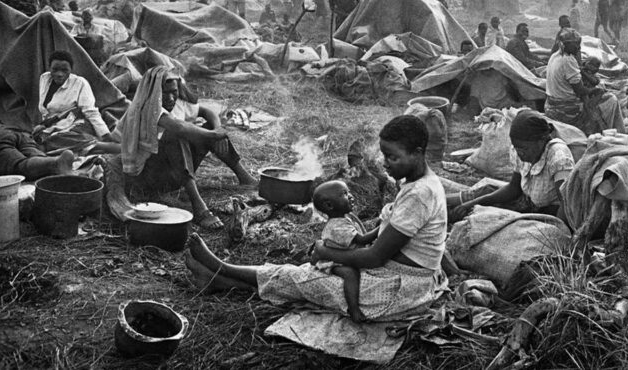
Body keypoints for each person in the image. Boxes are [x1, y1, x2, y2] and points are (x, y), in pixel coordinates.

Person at [184, 115, 449, 322]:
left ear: (417, 152)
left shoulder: (419, 194)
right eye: (384, 154)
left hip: (397, 290)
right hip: (399, 276)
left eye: (392, 156)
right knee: (307, 276)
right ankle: (220, 281)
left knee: (304, 278)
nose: (385, 163)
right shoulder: (418, 185)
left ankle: (221, 268)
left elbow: (374, 257)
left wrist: (325, 251)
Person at [112, 66, 258, 229]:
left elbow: (207, 111)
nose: (171, 97)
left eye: (174, 91)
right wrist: (216, 135)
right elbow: (179, 127)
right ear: (153, 93)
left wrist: (216, 129)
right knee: (177, 135)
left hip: (172, 172)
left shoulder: (175, 104)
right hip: (145, 178)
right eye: (165, 93)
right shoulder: (147, 107)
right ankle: (199, 209)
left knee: (207, 127)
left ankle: (244, 177)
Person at [451, 110, 575, 221]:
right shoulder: (520, 152)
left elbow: (567, 204)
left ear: (541, 140)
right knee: (486, 194)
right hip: (528, 206)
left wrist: (557, 234)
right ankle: (445, 204)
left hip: (551, 215)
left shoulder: (559, 157)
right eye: (517, 148)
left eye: (524, 149)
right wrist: (474, 203)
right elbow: (513, 188)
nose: (520, 153)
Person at [312, 180, 377, 322]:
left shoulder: (345, 218)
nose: (351, 196)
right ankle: (354, 309)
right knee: (350, 274)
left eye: (349, 192)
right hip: (334, 261)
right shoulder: (337, 226)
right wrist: (383, 226)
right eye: (344, 194)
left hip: (344, 255)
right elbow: (362, 239)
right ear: (329, 205)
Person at [33, 51, 119, 155]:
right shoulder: (44, 78)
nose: (59, 74)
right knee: (39, 140)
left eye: (64, 70)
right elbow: (45, 112)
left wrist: (105, 135)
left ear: (71, 70)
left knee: (56, 138)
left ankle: (111, 148)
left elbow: (91, 112)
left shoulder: (80, 83)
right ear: (49, 67)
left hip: (77, 124)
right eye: (55, 69)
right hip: (52, 126)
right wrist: (44, 125)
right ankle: (86, 150)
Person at [544, 29, 625, 135]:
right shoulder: (568, 60)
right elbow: (580, 90)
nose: (578, 48)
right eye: (576, 45)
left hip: (550, 105)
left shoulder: (554, 56)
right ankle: (609, 133)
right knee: (611, 100)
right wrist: (595, 90)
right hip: (566, 109)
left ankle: (613, 131)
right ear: (565, 45)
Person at [0, 122, 75, 181]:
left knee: (17, 165)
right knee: (35, 155)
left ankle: (55, 163)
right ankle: (54, 163)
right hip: (20, 133)